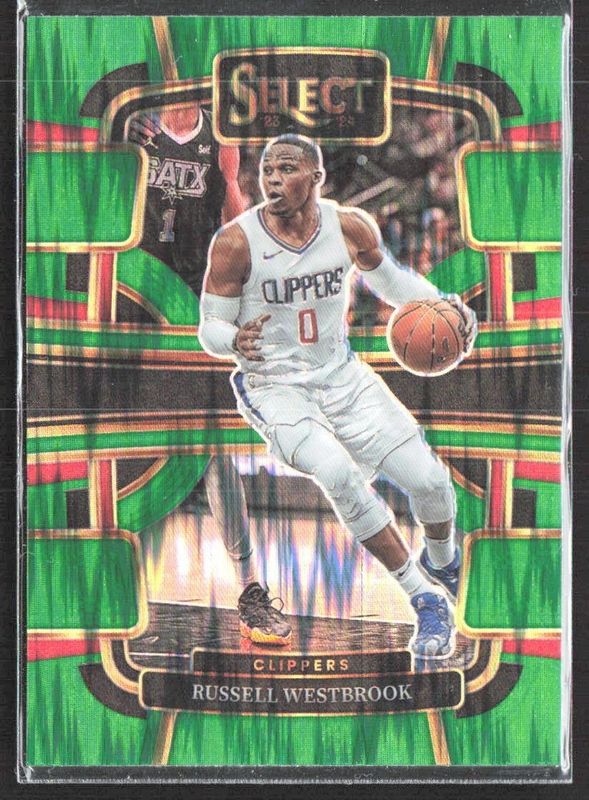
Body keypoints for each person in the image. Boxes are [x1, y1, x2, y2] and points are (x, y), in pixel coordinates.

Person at [199, 134, 477, 658]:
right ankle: (424, 599)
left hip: (342, 376)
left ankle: (441, 563)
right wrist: (232, 339)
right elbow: (209, 326)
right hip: (276, 387)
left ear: (316, 177)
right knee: (338, 473)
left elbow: (393, 285)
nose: (272, 179)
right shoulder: (236, 242)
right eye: (268, 170)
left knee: (432, 483)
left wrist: (447, 306)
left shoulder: (349, 226)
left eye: (286, 169)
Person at [128, 105, 292, 646]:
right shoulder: (135, 121)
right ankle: (106, 583)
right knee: (118, 447)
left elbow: (233, 222)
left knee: (216, 447)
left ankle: (249, 592)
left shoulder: (218, 136)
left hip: (194, 309)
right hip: (138, 304)